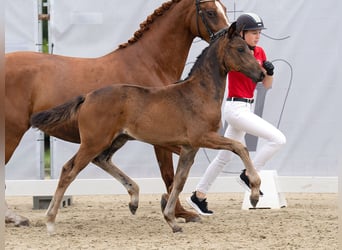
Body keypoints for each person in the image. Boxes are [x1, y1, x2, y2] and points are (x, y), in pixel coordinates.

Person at [186, 13, 286, 215]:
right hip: (235, 108)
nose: (257, 36)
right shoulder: (234, 51)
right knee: (278, 139)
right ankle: (249, 174)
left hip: (247, 107)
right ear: (241, 33)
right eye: (253, 33)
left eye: (259, 33)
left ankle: (198, 195)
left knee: (223, 158)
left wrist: (270, 72)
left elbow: (266, 86)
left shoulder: (259, 52)